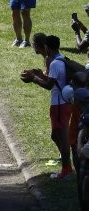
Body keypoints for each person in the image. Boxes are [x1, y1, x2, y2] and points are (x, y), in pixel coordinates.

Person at [21, 34, 73, 179]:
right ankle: (67, 166)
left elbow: (49, 85)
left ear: (46, 47)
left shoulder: (55, 63)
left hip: (59, 104)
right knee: (55, 135)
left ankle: (67, 170)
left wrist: (34, 79)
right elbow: (53, 80)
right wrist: (39, 74)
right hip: (62, 103)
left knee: (62, 139)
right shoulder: (59, 59)